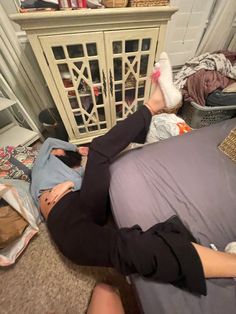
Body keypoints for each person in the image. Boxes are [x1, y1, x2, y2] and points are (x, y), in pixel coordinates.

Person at [31, 52, 236, 297]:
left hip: (84, 203)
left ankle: (156, 105)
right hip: (67, 221)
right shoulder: (41, 164)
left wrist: (76, 158)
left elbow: (70, 154)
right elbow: (43, 193)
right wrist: (66, 181)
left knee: (98, 150)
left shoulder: (59, 161)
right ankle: (229, 263)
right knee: (126, 247)